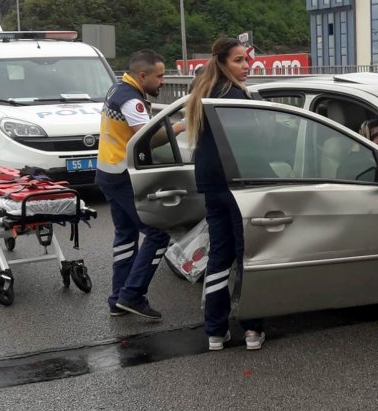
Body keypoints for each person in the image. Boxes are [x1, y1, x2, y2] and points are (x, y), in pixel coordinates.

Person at [184, 37, 265, 351]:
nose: (246, 66)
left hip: (212, 185)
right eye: (239, 60)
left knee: (219, 257)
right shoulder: (234, 96)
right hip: (238, 186)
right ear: (222, 63)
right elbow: (249, 146)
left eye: (246, 60)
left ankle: (215, 332)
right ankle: (252, 330)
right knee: (246, 257)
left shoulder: (202, 93)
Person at [95, 49, 184, 319]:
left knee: (126, 236)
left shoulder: (117, 89)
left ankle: (117, 299)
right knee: (157, 232)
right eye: (159, 76)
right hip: (122, 175)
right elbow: (148, 139)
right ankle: (132, 295)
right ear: (142, 75)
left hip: (107, 171)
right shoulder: (131, 102)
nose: (163, 81)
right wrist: (180, 127)